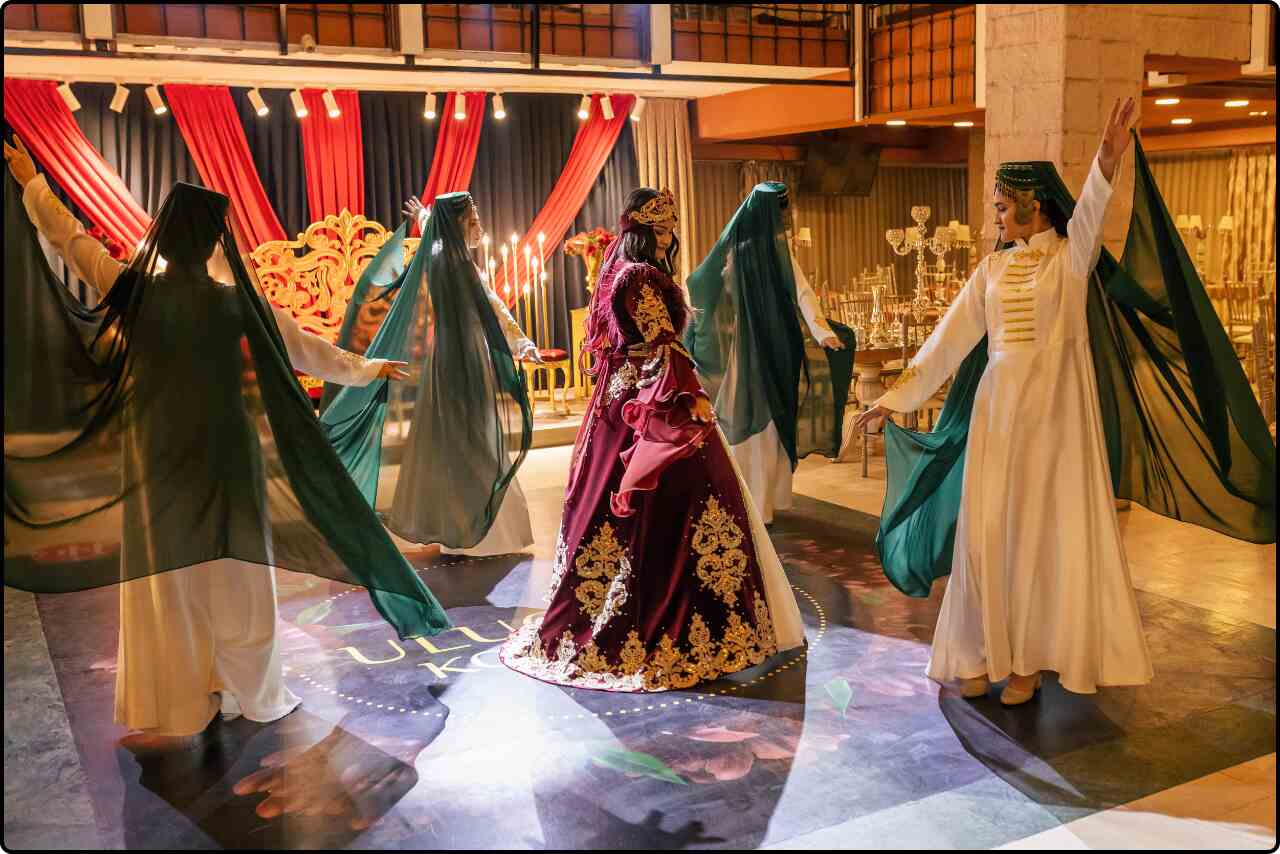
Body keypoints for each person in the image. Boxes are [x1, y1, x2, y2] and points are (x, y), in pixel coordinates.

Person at [3, 137, 450, 744]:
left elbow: (69, 240)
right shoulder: (237, 302)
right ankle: (251, 692)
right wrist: (368, 368)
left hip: (159, 455)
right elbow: (307, 351)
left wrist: (33, 184)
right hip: (226, 452)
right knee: (240, 572)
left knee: (173, 579)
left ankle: (183, 696)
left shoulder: (134, 292)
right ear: (217, 241)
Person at [856, 98, 1275, 706]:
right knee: (986, 536)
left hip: (1055, 421)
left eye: (1002, 206)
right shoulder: (991, 275)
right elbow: (946, 341)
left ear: (1032, 205)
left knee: (1037, 538)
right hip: (998, 416)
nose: (996, 217)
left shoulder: (1069, 264)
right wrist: (894, 399)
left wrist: (1107, 158)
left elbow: (1091, 212)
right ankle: (977, 652)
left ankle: (1026, 663)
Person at [499, 188, 805, 692]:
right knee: (683, 498)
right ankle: (673, 629)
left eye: (670, 229)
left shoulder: (614, 270)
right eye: (660, 230)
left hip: (618, 399)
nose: (668, 238)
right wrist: (692, 397)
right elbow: (661, 344)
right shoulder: (640, 276)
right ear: (643, 232)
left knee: (625, 507)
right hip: (650, 398)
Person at [320, 192, 537, 556]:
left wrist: (425, 215)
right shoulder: (457, 263)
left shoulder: (439, 256)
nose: (479, 224)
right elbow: (492, 308)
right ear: (458, 225)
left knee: (457, 438)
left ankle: (456, 522)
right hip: (466, 358)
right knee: (475, 438)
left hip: (447, 358)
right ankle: (480, 531)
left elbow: (443, 251)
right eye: (472, 218)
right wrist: (521, 345)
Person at [685, 182, 855, 525]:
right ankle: (749, 503)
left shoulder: (777, 250)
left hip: (778, 344)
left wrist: (823, 333)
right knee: (750, 418)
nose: (785, 218)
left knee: (773, 420)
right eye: (781, 212)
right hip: (751, 347)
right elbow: (706, 282)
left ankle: (766, 502)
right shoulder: (739, 248)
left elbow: (802, 292)